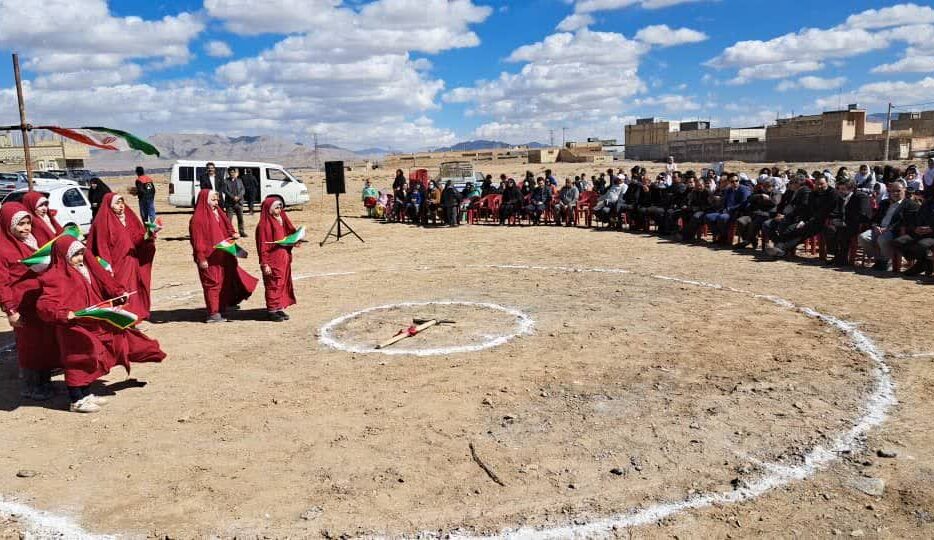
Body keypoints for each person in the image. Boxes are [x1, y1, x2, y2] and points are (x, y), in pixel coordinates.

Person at [36, 236, 165, 413]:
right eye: (75, 255)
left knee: (93, 358)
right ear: (62, 255)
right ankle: (76, 400)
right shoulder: (54, 277)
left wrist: (117, 296)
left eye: (81, 253)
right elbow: (44, 305)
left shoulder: (85, 269)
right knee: (78, 360)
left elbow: (102, 286)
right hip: (73, 328)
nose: (80, 258)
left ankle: (86, 393)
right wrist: (65, 314)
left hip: (92, 322)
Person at [0, 203, 61, 401]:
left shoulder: (33, 241)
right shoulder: (3, 248)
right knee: (30, 346)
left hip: (40, 302)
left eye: (28, 223)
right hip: (22, 306)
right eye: (20, 225)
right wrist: (10, 310)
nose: (26, 228)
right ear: (8, 225)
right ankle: (31, 386)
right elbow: (2, 283)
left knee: (44, 343)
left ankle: (44, 382)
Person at [189, 190, 258, 323]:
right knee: (212, 284)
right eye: (213, 200)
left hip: (224, 255)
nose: (216, 203)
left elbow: (227, 228)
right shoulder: (198, 219)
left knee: (223, 283)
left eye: (217, 200)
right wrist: (201, 258)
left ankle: (220, 308)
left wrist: (233, 234)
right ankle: (213, 313)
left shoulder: (218, 213)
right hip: (210, 258)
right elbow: (198, 241)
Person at [87, 193, 156, 320]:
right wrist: (107, 267)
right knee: (120, 290)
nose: (121, 206)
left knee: (133, 289)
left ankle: (134, 316)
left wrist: (149, 234)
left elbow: (136, 238)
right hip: (116, 265)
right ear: (109, 205)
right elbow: (102, 246)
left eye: (122, 203)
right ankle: (122, 318)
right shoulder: (103, 222)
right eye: (117, 203)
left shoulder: (127, 218)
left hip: (131, 261)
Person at [766, 174, 837, 257]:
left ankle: (780, 248)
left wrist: (808, 221)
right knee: (791, 229)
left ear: (827, 183)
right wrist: (803, 220)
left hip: (825, 221)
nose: (819, 186)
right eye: (817, 184)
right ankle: (780, 249)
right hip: (811, 220)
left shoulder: (833, 194)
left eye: (822, 184)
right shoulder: (813, 194)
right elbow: (808, 210)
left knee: (802, 231)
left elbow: (826, 211)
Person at [255, 197, 297, 321]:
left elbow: (288, 235)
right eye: (276, 208)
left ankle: (278, 307)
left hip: (283, 258)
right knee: (273, 284)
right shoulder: (263, 225)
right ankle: (272, 310)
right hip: (272, 259)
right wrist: (265, 264)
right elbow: (262, 246)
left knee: (282, 283)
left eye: (280, 207)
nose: (279, 210)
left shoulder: (282, 219)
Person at [858, 180, 915, 271]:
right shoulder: (884, 203)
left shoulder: (909, 205)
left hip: (894, 231)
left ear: (904, 190)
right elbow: (875, 218)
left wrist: (888, 228)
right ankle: (879, 259)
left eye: (898, 191)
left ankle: (886, 262)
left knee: (882, 239)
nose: (895, 193)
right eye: (892, 191)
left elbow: (905, 221)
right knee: (863, 237)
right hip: (879, 229)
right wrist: (875, 226)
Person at [822, 179, 871, 266]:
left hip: (857, 225)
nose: (841, 191)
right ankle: (837, 255)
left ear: (851, 189)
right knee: (828, 229)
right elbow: (836, 211)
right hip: (843, 223)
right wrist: (834, 219)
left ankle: (842, 259)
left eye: (843, 189)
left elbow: (864, 215)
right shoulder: (841, 197)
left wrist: (845, 222)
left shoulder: (861, 197)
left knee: (842, 232)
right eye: (839, 189)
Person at [894, 193, 934, 276]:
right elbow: (916, 219)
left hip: (932, 235)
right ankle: (924, 263)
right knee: (899, 242)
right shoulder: (927, 203)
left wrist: (931, 229)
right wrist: (915, 228)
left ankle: (922, 265)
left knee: (921, 245)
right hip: (920, 232)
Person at [220, 167, 247, 237]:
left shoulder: (239, 180)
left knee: (240, 218)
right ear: (228, 173)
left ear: (235, 173)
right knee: (229, 219)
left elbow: (243, 190)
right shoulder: (226, 181)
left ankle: (242, 232)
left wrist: (238, 197)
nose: (232, 173)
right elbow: (225, 190)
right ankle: (229, 232)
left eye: (233, 172)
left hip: (239, 202)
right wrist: (233, 197)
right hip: (230, 204)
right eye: (230, 172)